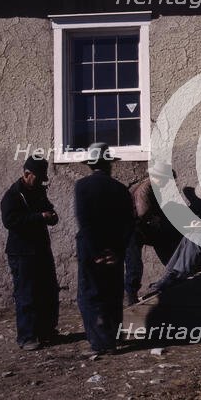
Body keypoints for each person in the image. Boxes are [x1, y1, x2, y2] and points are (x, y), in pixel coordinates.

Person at [75, 142, 134, 355]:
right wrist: (117, 251)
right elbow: (129, 224)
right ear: (109, 164)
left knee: (91, 294)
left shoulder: (82, 187)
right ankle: (115, 336)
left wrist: (96, 252)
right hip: (114, 251)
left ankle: (101, 343)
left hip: (91, 251)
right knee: (113, 293)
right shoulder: (120, 189)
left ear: (91, 165)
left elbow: (85, 222)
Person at [1, 156, 59, 351]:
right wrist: (39, 217)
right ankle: (26, 337)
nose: (41, 182)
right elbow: (10, 222)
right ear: (27, 174)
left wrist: (51, 216)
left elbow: (48, 209)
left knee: (47, 291)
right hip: (22, 252)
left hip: (40, 249)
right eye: (38, 177)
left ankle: (46, 332)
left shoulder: (38, 192)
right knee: (26, 295)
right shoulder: (13, 195)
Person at [124, 160, 180, 305]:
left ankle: (173, 272)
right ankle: (131, 296)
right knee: (134, 263)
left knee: (164, 242)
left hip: (140, 229)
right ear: (159, 177)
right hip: (133, 230)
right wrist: (156, 219)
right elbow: (143, 212)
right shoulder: (146, 188)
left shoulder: (153, 188)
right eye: (166, 180)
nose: (168, 183)